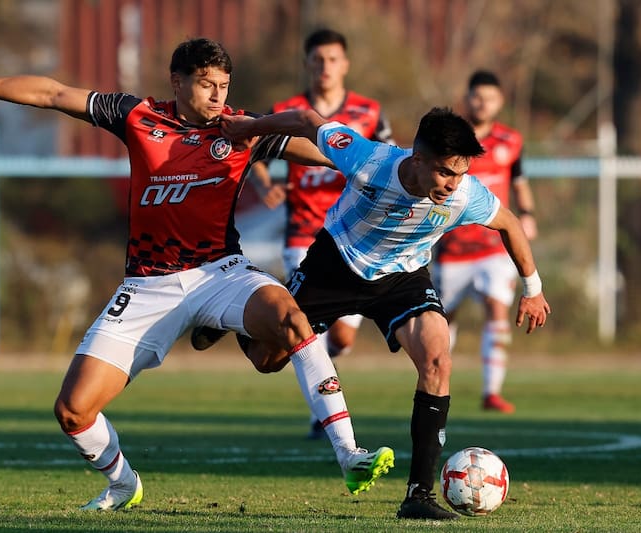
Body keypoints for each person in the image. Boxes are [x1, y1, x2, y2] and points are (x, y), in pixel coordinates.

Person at [0, 38, 393, 510]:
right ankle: (123, 484)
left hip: (221, 272)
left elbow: (333, 154)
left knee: (292, 320)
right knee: (72, 411)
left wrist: (388, 167)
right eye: (206, 84)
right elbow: (51, 93)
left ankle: (349, 454)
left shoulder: (242, 129)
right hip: (148, 284)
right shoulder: (137, 116)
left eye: (224, 84)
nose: (218, 95)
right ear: (177, 82)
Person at [213, 106, 550, 520]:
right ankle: (237, 309)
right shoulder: (369, 160)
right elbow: (306, 120)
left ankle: (418, 496)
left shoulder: (466, 194)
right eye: (445, 172)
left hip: (402, 278)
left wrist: (533, 289)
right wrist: (251, 127)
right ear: (417, 158)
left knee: (438, 359)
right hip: (335, 266)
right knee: (266, 360)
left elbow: (510, 223)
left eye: (461, 174)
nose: (453, 184)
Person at [242, 28, 395, 440]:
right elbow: (250, 143)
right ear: (307, 64)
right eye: (318, 59)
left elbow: (390, 163)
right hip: (303, 234)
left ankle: (319, 365)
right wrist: (264, 183)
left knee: (340, 336)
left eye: (332, 59)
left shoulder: (369, 112)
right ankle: (324, 417)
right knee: (306, 329)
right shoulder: (286, 110)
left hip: (354, 236)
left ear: (345, 64)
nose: (325, 66)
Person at [432, 70, 538, 414]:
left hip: (494, 248)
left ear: (500, 101)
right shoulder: (452, 141)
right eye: (477, 97)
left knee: (497, 309)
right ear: (467, 99)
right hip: (453, 249)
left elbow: (519, 182)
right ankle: (435, 381)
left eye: (490, 98)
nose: (483, 103)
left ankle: (492, 391)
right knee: (442, 320)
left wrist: (527, 214)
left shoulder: (511, 141)